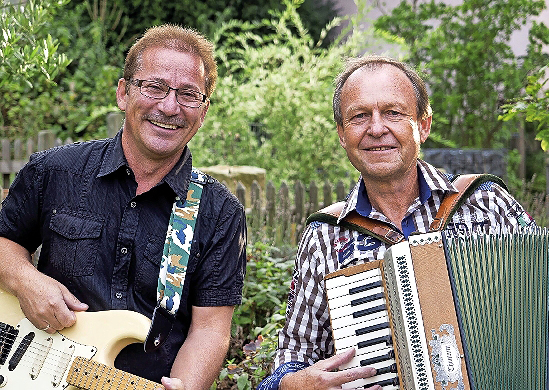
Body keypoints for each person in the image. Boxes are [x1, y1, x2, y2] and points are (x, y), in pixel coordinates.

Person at [257, 55, 535, 390]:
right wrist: (293, 384)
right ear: (343, 135)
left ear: (423, 124)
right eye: (360, 116)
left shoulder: (487, 204)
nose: (376, 129)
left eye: (393, 113)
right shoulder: (325, 235)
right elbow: (291, 358)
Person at [0, 24, 246, 390]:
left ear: (204, 111)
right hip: (30, 374)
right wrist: (25, 280)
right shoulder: (52, 171)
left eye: (189, 94)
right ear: (123, 93)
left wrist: (185, 385)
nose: (169, 106)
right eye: (154, 87)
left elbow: (209, 330)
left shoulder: (220, 213)